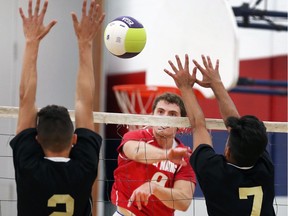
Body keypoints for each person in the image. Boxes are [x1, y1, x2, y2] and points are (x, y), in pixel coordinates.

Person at [9, 0, 105, 215]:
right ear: (74, 139)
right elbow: (85, 102)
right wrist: (85, 44)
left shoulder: (28, 166)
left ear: (36, 139)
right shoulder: (85, 167)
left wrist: (31, 41)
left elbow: (26, 98)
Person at [164, 54, 275, 216]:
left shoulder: (214, 171)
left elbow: (198, 125)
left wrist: (187, 87)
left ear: (228, 151)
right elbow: (203, 126)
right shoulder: (264, 166)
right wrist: (214, 84)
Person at [111, 92, 196, 216]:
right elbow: (136, 152)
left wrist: (154, 188)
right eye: (160, 112)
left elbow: (184, 202)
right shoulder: (135, 136)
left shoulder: (184, 155)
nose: (165, 118)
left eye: (172, 114)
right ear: (152, 116)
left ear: (181, 123)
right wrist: (167, 155)